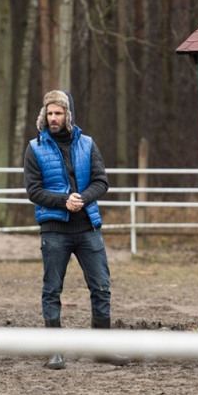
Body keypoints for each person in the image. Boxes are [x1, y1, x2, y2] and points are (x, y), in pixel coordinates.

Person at [23, 90, 129, 370]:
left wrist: (82, 197)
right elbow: (33, 191)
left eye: (58, 113)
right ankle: (54, 351)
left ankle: (103, 349)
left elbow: (101, 181)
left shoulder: (88, 144)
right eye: (49, 113)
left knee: (102, 287)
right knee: (52, 289)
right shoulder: (34, 148)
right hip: (54, 230)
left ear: (68, 115)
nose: (53, 118)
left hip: (87, 227)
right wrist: (62, 200)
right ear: (43, 116)